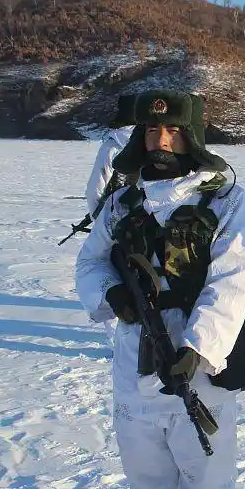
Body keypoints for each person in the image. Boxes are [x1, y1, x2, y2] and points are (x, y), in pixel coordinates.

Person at [75, 90, 245, 489]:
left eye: (174, 130)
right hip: (133, 373)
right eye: (152, 130)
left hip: (198, 377)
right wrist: (111, 295)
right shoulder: (121, 199)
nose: (161, 139)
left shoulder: (225, 200)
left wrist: (198, 349)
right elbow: (91, 263)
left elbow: (233, 280)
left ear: (192, 135)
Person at [84, 94, 138, 345]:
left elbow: (95, 190)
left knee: (109, 279)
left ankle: (119, 343)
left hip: (115, 225)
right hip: (147, 225)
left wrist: (100, 222)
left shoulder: (112, 145)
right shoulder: (151, 141)